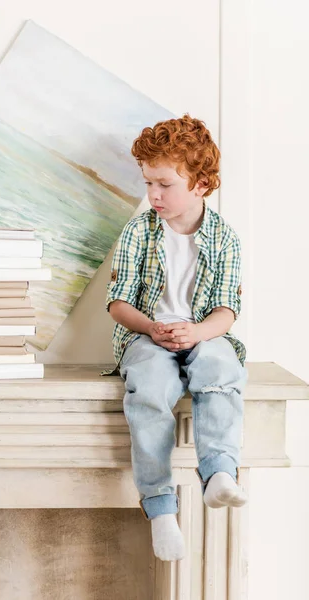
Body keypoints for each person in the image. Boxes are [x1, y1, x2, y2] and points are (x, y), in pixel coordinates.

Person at [105, 115, 248, 562]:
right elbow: (118, 302)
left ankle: (220, 471)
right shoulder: (139, 231)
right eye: (148, 183)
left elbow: (226, 310)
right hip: (147, 336)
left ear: (202, 184)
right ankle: (161, 507)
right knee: (148, 388)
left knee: (221, 367)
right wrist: (151, 327)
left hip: (203, 332)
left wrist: (199, 332)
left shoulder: (224, 238)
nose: (153, 195)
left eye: (164, 184)